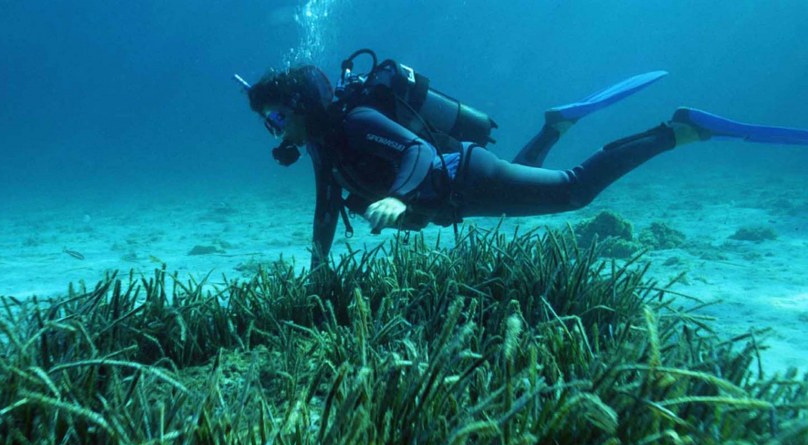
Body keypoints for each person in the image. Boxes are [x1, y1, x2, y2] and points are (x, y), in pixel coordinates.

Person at [238, 58, 808, 270]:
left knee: (573, 192)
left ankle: (678, 130)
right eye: (268, 122)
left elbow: (416, 152)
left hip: (464, 178)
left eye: (277, 114)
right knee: (533, 187)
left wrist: (401, 197)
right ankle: (554, 126)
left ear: (302, 104)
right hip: (461, 194)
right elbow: (324, 204)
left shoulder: (354, 123)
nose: (275, 128)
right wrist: (317, 266)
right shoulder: (323, 146)